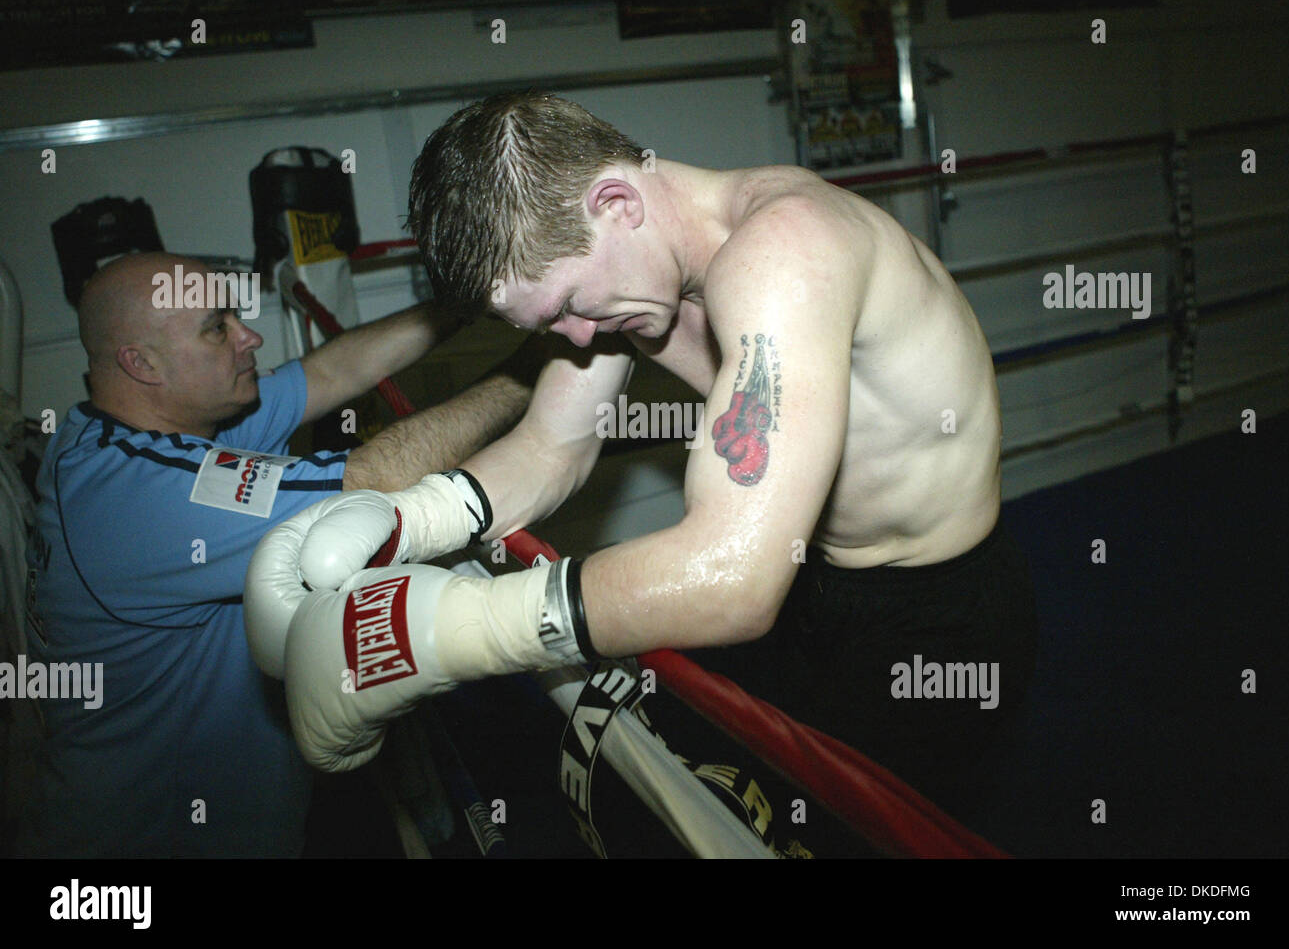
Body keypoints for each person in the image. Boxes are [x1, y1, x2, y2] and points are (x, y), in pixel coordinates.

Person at [248, 92, 1038, 820]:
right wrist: (407, 520)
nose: (579, 339)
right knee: (756, 817)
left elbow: (733, 576)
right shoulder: (622, 284)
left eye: (568, 307)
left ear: (617, 204)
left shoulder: (786, 253)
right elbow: (551, 446)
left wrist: (455, 630)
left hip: (936, 616)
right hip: (810, 582)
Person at [14, 251, 539, 856]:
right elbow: (371, 481)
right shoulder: (131, 498)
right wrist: (531, 373)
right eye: (218, 328)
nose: (250, 336)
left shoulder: (139, 429)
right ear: (141, 363)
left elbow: (332, 374)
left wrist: (472, 303)